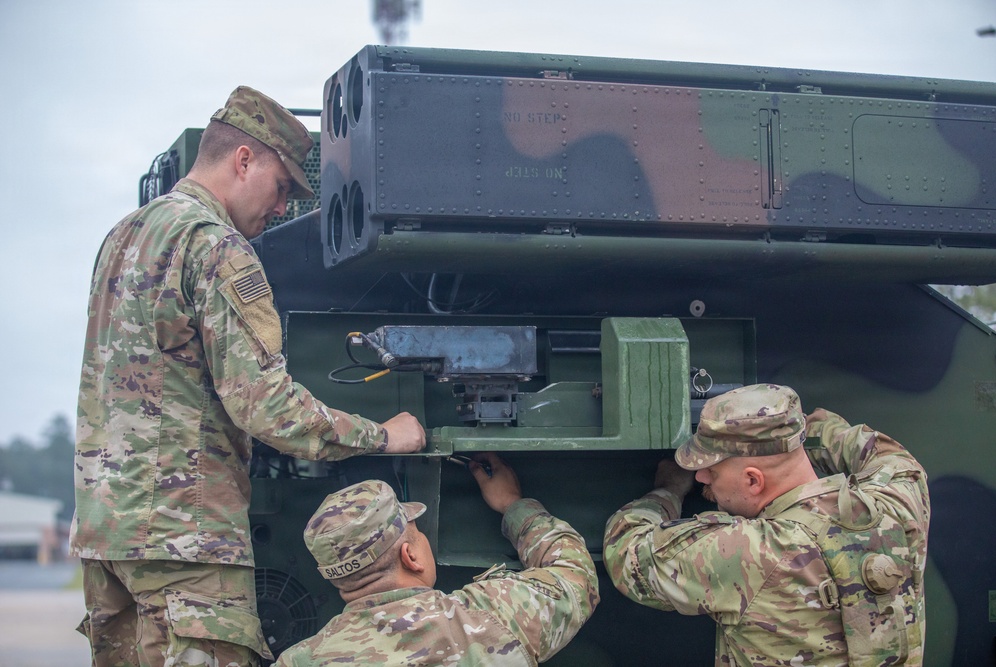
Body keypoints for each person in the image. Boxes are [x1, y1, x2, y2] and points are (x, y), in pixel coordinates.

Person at [70, 86, 425, 667]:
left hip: (107, 534)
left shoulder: (124, 235)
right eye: (282, 185)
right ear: (243, 161)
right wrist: (384, 435)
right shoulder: (215, 246)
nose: (282, 207)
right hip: (188, 543)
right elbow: (266, 406)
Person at [603, 383, 930, 666]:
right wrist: (791, 432)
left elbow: (627, 550)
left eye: (711, 469)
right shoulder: (899, 502)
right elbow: (884, 455)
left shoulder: (754, 551)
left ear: (753, 481)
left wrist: (669, 490)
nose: (701, 476)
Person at [275, 452, 600, 666]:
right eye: (416, 531)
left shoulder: (298, 661)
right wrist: (513, 506)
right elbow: (576, 577)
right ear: (411, 555)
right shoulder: (490, 615)